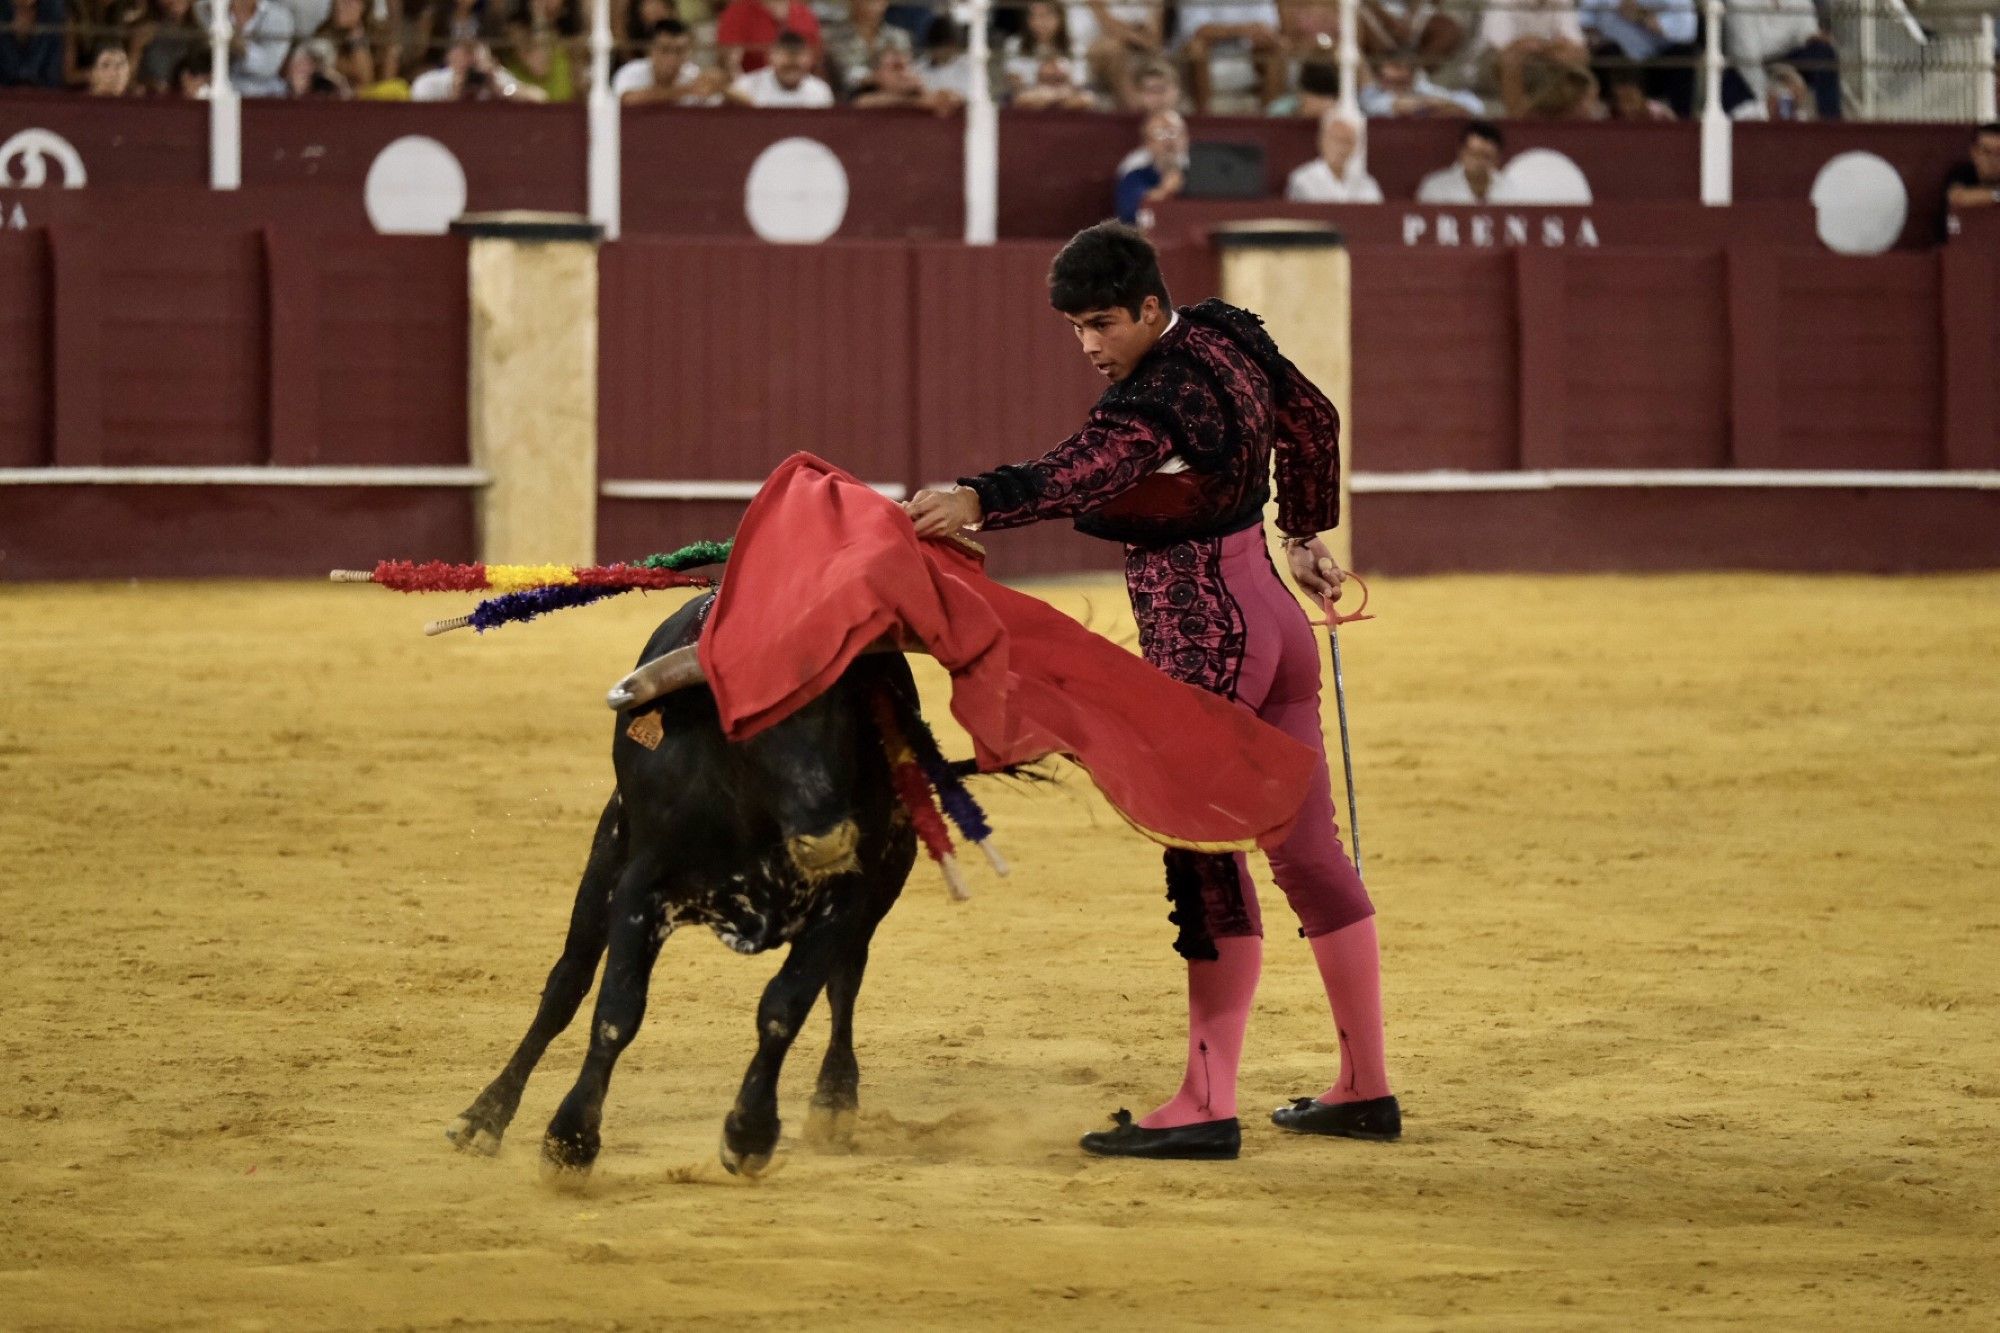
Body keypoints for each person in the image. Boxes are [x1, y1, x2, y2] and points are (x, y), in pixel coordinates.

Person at [903, 222, 1398, 1161]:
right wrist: (1304, 531)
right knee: (1307, 850)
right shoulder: (1225, 332)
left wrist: (975, 497)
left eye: (1101, 324)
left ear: (1147, 308)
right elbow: (1314, 419)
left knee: (1203, 849)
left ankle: (1207, 1101)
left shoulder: (1157, 398)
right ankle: (1364, 1086)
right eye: (1073, 328)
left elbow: (1076, 473)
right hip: (1273, 619)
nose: (1089, 345)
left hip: (1210, 631)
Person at [612, 19, 726, 102]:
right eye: (665, 50)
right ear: (651, 50)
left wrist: (720, 85)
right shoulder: (630, 71)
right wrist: (687, 90)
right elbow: (627, 99)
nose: (672, 58)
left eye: (679, 51)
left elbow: (715, 101)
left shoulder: (694, 75)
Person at [1285, 111, 1384, 203]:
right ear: (1322, 142)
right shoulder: (1302, 180)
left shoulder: (1366, 182)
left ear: (1355, 147)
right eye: (1336, 140)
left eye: (1347, 142)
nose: (1341, 147)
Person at [1114, 107, 1186, 225]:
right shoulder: (1134, 178)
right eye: (1160, 134)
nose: (1169, 141)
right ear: (1147, 143)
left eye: (1174, 132)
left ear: (1186, 138)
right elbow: (1129, 214)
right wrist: (1164, 191)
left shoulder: (1201, 175)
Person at [1358, 48, 1483, 116]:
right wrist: (1432, 104)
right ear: (1380, 75)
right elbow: (1388, 107)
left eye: (1404, 68)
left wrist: (1436, 105)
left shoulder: (1425, 89)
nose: (1399, 74)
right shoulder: (1370, 95)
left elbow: (1475, 106)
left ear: (1412, 76)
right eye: (1396, 66)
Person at [1416, 118, 1515, 203]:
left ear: (1497, 159)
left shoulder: (1511, 189)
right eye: (1473, 154)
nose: (1478, 161)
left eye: (1486, 156)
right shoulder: (1435, 187)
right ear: (1461, 152)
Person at [727, 26, 832, 103]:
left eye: (797, 59)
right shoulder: (747, 87)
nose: (791, 64)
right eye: (785, 58)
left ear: (810, 59)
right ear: (770, 57)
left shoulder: (820, 91)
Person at [1943, 122, 2000, 218]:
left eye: (1999, 152)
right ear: (1975, 153)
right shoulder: (1964, 172)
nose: (1993, 159)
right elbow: (1957, 197)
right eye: (1987, 152)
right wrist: (1996, 195)